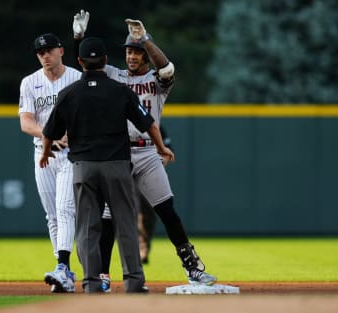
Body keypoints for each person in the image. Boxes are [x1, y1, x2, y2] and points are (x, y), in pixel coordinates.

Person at [72, 11, 218, 290]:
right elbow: (88, 66)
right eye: (129, 51)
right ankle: (102, 275)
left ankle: (193, 268)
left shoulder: (156, 79)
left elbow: (167, 70)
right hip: (117, 154)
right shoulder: (113, 75)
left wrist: (146, 40)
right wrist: (78, 37)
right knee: (107, 217)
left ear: (145, 55)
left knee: (167, 211)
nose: (131, 56)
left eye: (137, 52)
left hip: (149, 153)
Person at [39, 36, 174, 293]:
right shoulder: (120, 90)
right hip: (116, 165)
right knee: (124, 223)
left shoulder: (70, 93)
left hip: (83, 167)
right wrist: (161, 147)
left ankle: (91, 283)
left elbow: (49, 131)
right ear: (105, 61)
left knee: (88, 227)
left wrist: (45, 153)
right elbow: (148, 123)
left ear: (80, 62)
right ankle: (134, 281)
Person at [18, 33, 80, 293]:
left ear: (61, 51)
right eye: (40, 52)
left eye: (49, 50)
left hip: (71, 153)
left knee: (65, 208)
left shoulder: (76, 78)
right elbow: (26, 122)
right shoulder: (30, 82)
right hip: (42, 153)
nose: (45, 55)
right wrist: (48, 136)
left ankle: (63, 267)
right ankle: (62, 271)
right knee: (52, 215)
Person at [138, 125, 173, 264]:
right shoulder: (124, 120)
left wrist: (154, 166)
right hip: (126, 171)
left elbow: (166, 154)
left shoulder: (156, 126)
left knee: (146, 215)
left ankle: (143, 249)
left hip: (148, 174)